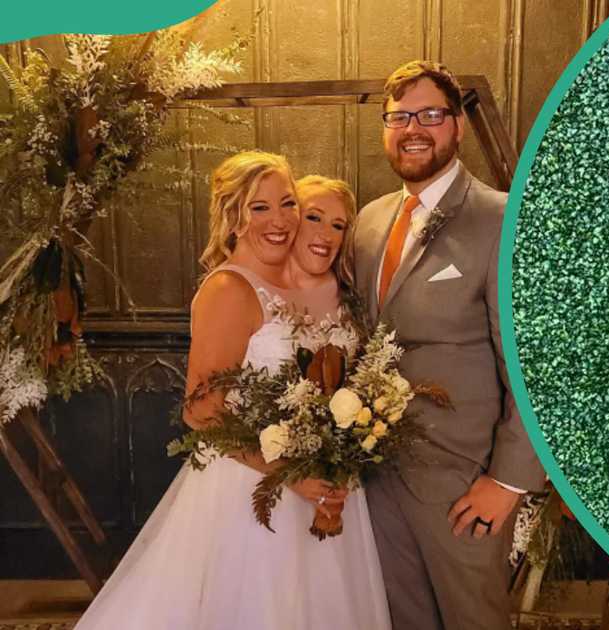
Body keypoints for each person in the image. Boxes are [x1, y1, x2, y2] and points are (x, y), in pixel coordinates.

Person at [75, 153, 391, 630]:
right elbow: (201, 412)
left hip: (323, 485)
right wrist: (290, 474)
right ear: (231, 218)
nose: (279, 219)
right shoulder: (229, 288)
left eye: (287, 203)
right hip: (251, 491)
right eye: (258, 208)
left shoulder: (300, 282)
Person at [353, 60, 545, 630]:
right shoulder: (368, 223)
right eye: (399, 116)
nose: (414, 128)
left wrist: (507, 483)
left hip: (465, 484)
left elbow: (531, 368)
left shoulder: (503, 219)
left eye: (431, 114)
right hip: (378, 476)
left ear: (457, 125)